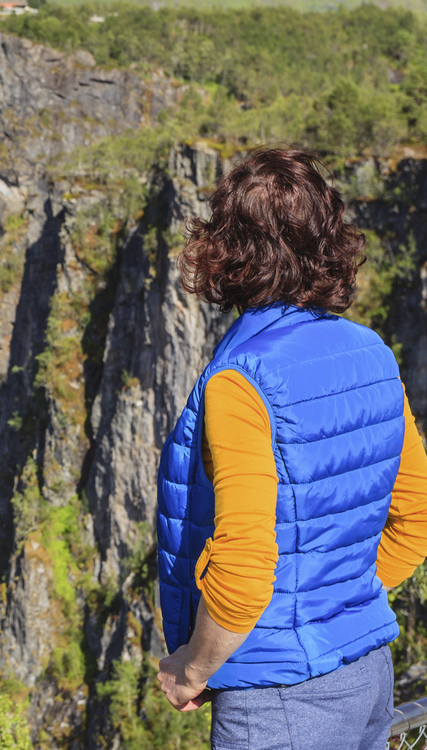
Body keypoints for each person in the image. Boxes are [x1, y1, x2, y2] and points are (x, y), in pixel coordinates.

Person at [154, 147, 427, 750]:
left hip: (280, 705)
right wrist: (332, 602)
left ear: (225, 249)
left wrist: (192, 668)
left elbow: (246, 563)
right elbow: (415, 517)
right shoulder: (373, 355)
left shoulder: (241, 382)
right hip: (366, 675)